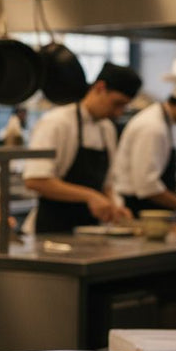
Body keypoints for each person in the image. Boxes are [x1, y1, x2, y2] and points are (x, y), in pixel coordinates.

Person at [24, 62, 142, 234]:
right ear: (100, 88)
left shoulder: (107, 129)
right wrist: (90, 196)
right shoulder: (57, 123)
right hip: (52, 230)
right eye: (117, 103)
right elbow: (35, 180)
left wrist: (114, 206)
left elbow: (106, 185)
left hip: (89, 232)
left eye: (124, 107)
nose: (118, 112)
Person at [114, 58, 176, 216]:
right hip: (139, 210)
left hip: (147, 207)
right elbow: (147, 187)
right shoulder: (153, 127)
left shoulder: (162, 122)